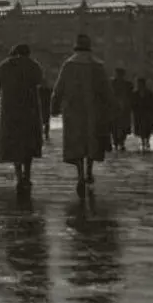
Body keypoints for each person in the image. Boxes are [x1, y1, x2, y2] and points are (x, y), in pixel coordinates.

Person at [51, 33, 115, 196]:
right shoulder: (97, 65)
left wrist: (54, 106)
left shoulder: (69, 65)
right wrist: (111, 107)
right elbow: (107, 91)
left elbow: (59, 87)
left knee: (76, 143)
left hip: (73, 111)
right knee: (91, 141)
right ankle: (89, 171)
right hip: (95, 111)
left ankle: (79, 174)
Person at [0, 44, 46, 194]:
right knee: (28, 145)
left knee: (15, 144)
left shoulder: (5, 66)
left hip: (11, 114)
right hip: (30, 113)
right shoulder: (34, 66)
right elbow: (41, 80)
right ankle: (27, 175)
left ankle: (19, 176)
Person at [110, 68, 134, 151]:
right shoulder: (112, 83)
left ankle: (121, 142)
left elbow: (131, 96)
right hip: (114, 108)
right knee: (114, 126)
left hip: (125, 108)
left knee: (124, 126)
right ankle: (116, 141)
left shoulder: (128, 84)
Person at [133, 78, 153, 151]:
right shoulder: (135, 93)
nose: (139, 85)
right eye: (138, 84)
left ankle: (147, 140)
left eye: (141, 84)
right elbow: (133, 103)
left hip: (148, 113)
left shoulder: (149, 93)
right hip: (139, 113)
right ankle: (143, 141)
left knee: (148, 127)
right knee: (141, 128)